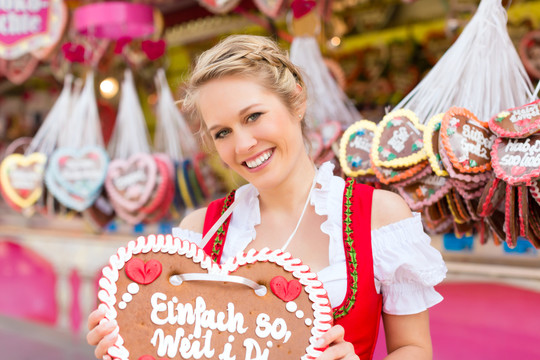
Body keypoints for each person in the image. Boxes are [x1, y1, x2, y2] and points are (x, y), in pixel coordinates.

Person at [87, 34, 447, 360]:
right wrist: (131, 347)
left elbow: (412, 349)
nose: (243, 145)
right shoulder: (200, 233)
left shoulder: (378, 217)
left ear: (297, 100)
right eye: (223, 132)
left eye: (254, 116)